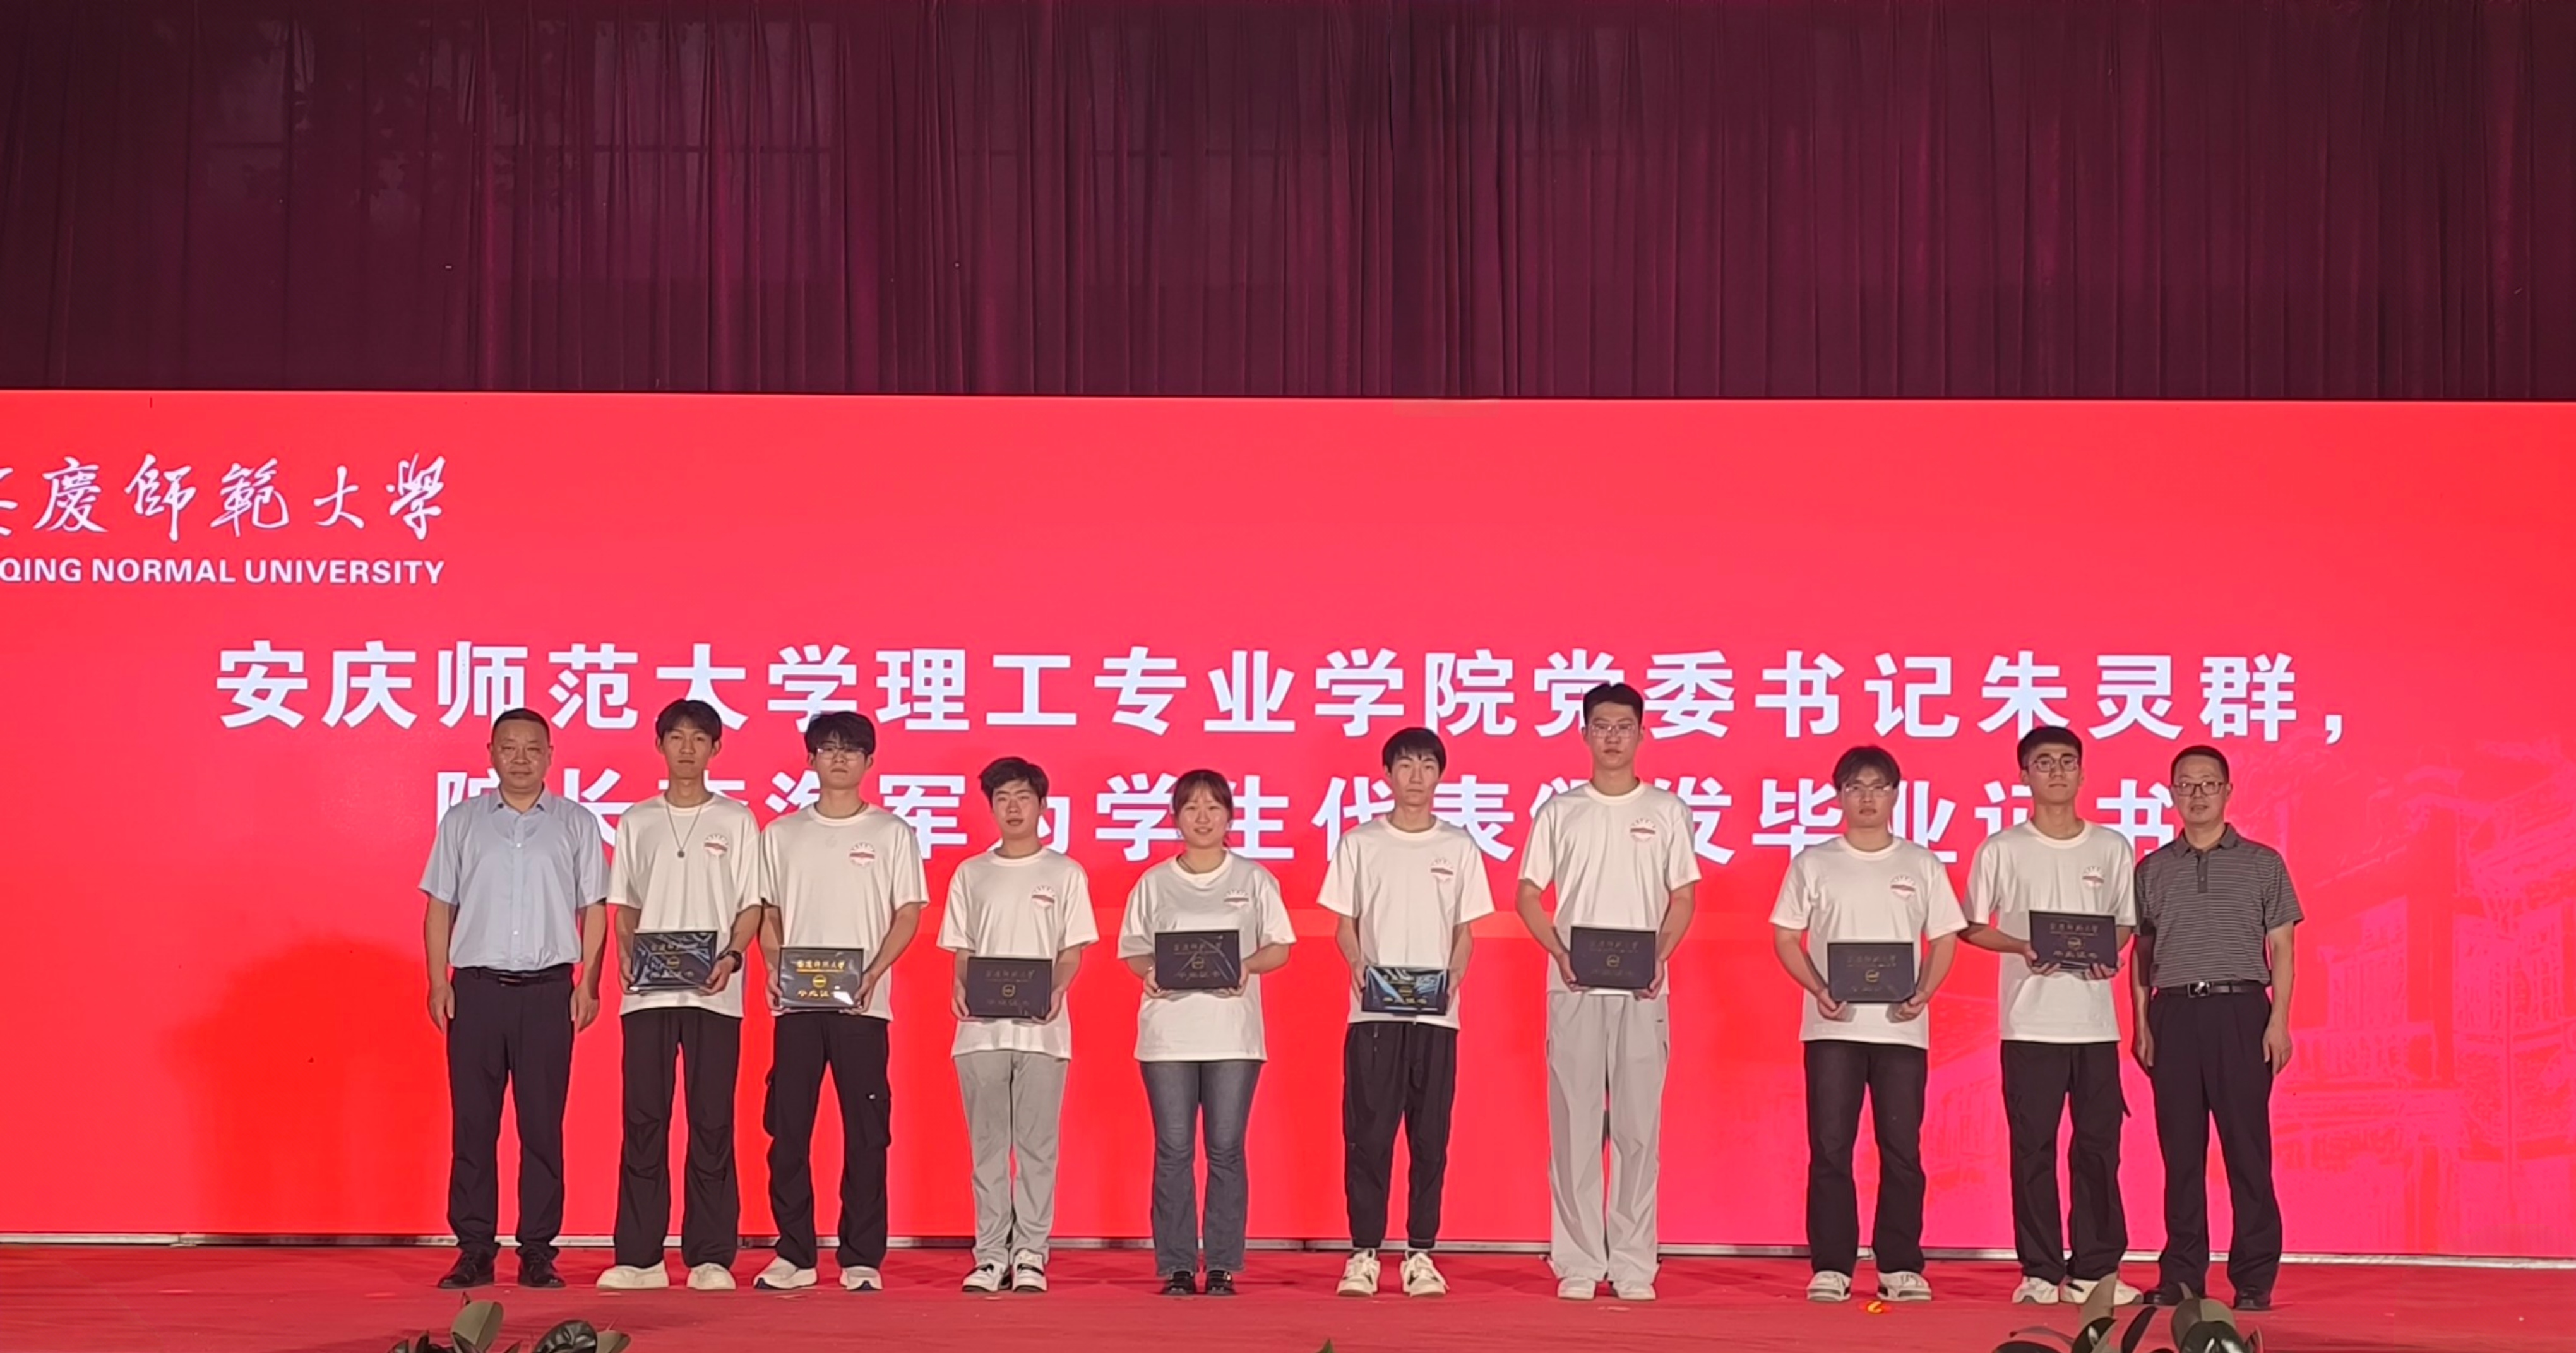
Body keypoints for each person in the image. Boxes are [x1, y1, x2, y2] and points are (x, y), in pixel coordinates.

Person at [1515, 682, 1701, 1302]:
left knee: (1638, 1128)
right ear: (1584, 734)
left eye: (1624, 726)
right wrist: (1560, 952)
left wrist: (1660, 957)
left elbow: (1683, 896)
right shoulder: (1560, 811)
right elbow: (1528, 894)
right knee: (1574, 1125)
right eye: (1602, 726)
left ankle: (1632, 1261)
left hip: (1644, 991)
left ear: (1642, 734)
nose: (1613, 737)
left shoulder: (1667, 810)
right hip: (1574, 986)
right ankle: (1576, 1259)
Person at [417, 707, 609, 1290]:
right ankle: (474, 1249)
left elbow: (595, 908)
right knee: (474, 1125)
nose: (521, 758)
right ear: (491, 753)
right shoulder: (463, 821)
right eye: (509, 747)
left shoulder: (576, 823)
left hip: (549, 992)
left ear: (550, 755)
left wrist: (590, 983)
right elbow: (440, 905)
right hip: (475, 991)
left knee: (542, 1128)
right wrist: (438, 980)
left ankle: (538, 1251)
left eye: (532, 748)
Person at [1769, 745, 1964, 1305]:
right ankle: (1832, 1264)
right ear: (1839, 796)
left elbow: (1945, 936)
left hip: (1901, 1029)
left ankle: (1899, 1263)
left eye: (1878, 786)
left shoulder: (1921, 863)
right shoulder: (1814, 862)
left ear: (1896, 795)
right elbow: (1786, 936)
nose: (1868, 797)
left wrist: (1924, 992)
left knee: (1902, 1148)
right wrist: (1818, 988)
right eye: (1855, 787)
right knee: (1831, 1147)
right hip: (1833, 1028)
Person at [1962, 726, 2141, 1306]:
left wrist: (2110, 952)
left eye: (2068, 761)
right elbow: (1970, 925)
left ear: (2083, 772)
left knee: (2099, 1148)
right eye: (2044, 762)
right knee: (2032, 1149)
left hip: (2094, 1025)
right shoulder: (2001, 848)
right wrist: (2020, 946)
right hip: (2029, 1024)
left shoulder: (2111, 846)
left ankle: (2095, 1270)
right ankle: (2039, 1270)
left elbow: (2124, 921)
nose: (2057, 771)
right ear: (2024, 775)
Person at [595, 700, 765, 1292]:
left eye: (698, 739)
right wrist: (624, 953)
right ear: (659, 745)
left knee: (711, 1121)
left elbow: (751, 904)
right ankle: (640, 1256)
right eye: (676, 737)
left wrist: (733, 956)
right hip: (648, 995)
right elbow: (625, 904)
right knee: (644, 1120)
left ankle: (710, 1255)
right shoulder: (636, 820)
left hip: (715, 993)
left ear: (716, 748)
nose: (687, 748)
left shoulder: (737, 819)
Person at [754, 712, 927, 1292]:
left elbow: (908, 912)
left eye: (851, 750)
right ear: (810, 759)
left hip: (863, 1008)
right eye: (827, 748)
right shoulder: (782, 833)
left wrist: (874, 973)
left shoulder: (892, 832)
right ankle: (795, 1253)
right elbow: (770, 912)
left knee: (867, 1133)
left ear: (869, 762)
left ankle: (861, 1256)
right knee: (789, 1132)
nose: (838, 758)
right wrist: (774, 966)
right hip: (797, 1008)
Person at [1323, 727, 1494, 1299]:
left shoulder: (1459, 846)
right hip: (1373, 1013)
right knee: (1368, 1135)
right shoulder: (1360, 843)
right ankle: (1364, 1253)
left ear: (1440, 774)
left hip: (1437, 1016)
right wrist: (1357, 962)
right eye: (1405, 765)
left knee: (1430, 1136)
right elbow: (1345, 923)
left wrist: (1455, 976)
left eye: (1426, 765)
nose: (1416, 776)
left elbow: (1465, 930)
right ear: (1387, 774)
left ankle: (1421, 1252)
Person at [2130, 745, 2299, 1312]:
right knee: (2181, 1154)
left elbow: (2283, 947)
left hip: (2241, 1012)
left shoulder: (2263, 862)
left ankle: (2254, 1277)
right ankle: (2182, 1274)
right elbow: (2142, 952)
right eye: (2186, 784)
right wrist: (2141, 1023)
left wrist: (2278, 1021)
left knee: (2247, 1151)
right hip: (2174, 1014)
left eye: (2208, 783)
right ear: (2172, 793)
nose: (2197, 794)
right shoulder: (2152, 868)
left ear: (2228, 790)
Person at [1117, 770, 1296, 1297]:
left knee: (1226, 1149)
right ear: (1175, 817)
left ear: (1230, 816)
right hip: (1168, 1034)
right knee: (1173, 1149)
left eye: (1213, 807)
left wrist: (1247, 966)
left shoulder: (1254, 879)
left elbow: (1280, 946)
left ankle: (1221, 1263)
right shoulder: (1154, 882)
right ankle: (1176, 1264)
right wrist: (1150, 970)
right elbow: (1133, 949)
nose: (1202, 817)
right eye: (1191, 807)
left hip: (1233, 1035)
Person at [939, 756, 1097, 1295]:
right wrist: (960, 986)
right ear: (991, 807)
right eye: (1003, 798)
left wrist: (1057, 988)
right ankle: (989, 1255)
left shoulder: (1065, 872)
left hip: (1044, 1031)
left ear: (1042, 806)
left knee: (1036, 1148)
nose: (1013, 807)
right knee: (987, 1148)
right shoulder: (972, 872)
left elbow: (1072, 949)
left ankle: (1030, 1252)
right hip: (979, 1032)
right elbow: (962, 947)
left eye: (1023, 797)